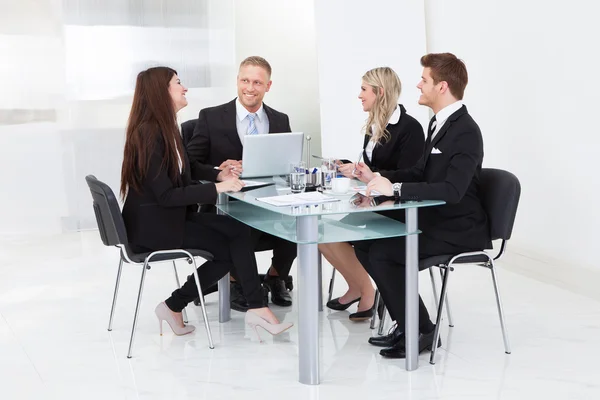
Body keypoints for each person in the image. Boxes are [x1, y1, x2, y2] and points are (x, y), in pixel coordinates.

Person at [120, 66, 292, 339]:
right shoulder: (147, 134)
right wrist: (218, 187)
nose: (184, 87)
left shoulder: (166, 128)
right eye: (178, 83)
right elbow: (166, 196)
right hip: (154, 227)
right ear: (160, 92)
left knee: (238, 232)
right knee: (228, 246)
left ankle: (188, 306)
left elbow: (185, 171)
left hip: (169, 218)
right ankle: (250, 307)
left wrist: (217, 172)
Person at [353, 53, 491, 358]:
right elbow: (419, 173)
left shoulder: (466, 130)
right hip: (436, 220)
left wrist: (398, 188)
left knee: (383, 253)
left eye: (424, 80)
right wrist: (378, 178)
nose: (418, 84)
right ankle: (411, 325)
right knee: (365, 244)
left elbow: (452, 191)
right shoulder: (439, 124)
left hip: (458, 226)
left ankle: (422, 330)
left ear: (441, 87)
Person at [186, 56, 297, 310]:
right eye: (245, 80)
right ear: (237, 81)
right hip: (226, 204)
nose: (250, 87)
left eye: (257, 82)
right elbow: (189, 164)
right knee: (236, 226)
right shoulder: (211, 117)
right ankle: (236, 281)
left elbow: (286, 162)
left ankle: (275, 277)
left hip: (268, 201)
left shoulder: (280, 120)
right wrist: (218, 171)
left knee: (298, 219)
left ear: (268, 86)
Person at [319, 67, 424, 321]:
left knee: (332, 233)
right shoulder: (373, 126)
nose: (359, 95)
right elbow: (374, 167)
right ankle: (358, 287)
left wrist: (373, 176)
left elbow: (411, 174)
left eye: (364, 89)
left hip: (396, 209)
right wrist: (352, 169)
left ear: (380, 92)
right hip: (373, 202)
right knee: (320, 232)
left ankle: (366, 292)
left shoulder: (410, 129)